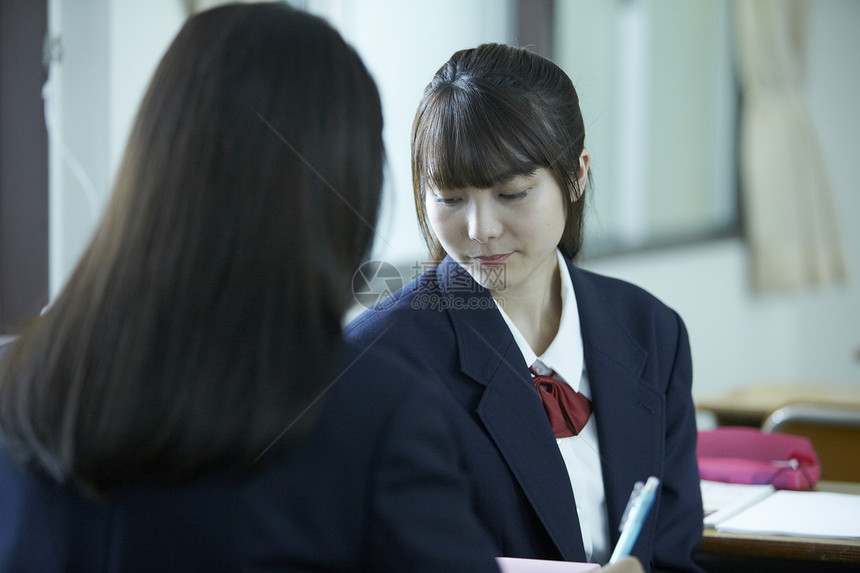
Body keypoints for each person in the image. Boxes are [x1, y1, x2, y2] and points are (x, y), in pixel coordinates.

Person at [0, 5, 504, 571]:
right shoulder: (375, 416)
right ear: (347, 192)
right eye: (452, 196)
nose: (481, 228)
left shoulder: (19, 381)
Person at [345, 43, 704, 572]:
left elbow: (673, 554)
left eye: (512, 194)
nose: (479, 230)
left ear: (578, 174)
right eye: (449, 197)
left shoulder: (652, 332)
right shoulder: (377, 359)